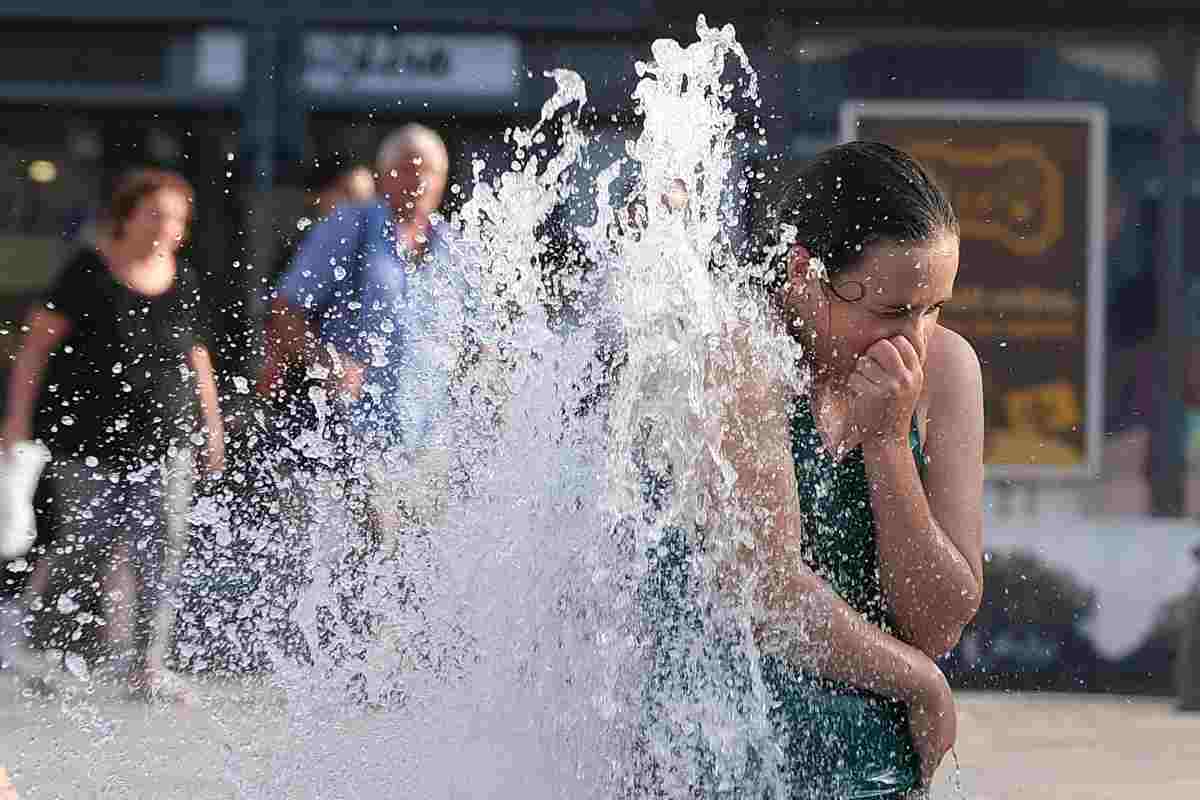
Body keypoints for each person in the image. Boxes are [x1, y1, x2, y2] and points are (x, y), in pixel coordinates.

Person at [717, 141, 984, 797]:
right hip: (723, 747)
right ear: (803, 273)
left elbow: (939, 619)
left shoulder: (947, 370)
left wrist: (888, 445)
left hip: (871, 763)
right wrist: (919, 680)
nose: (914, 339)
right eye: (892, 311)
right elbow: (768, 597)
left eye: (935, 307)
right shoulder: (737, 353)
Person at [0, 167, 224, 704]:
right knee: (81, 550)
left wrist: (210, 427)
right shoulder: (89, 271)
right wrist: (16, 419)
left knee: (160, 552)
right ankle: (40, 649)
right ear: (127, 216)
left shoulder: (184, 277)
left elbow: (198, 357)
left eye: (176, 218)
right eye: (156, 214)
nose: (166, 227)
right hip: (89, 447)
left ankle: (148, 666)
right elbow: (36, 345)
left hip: (165, 445)